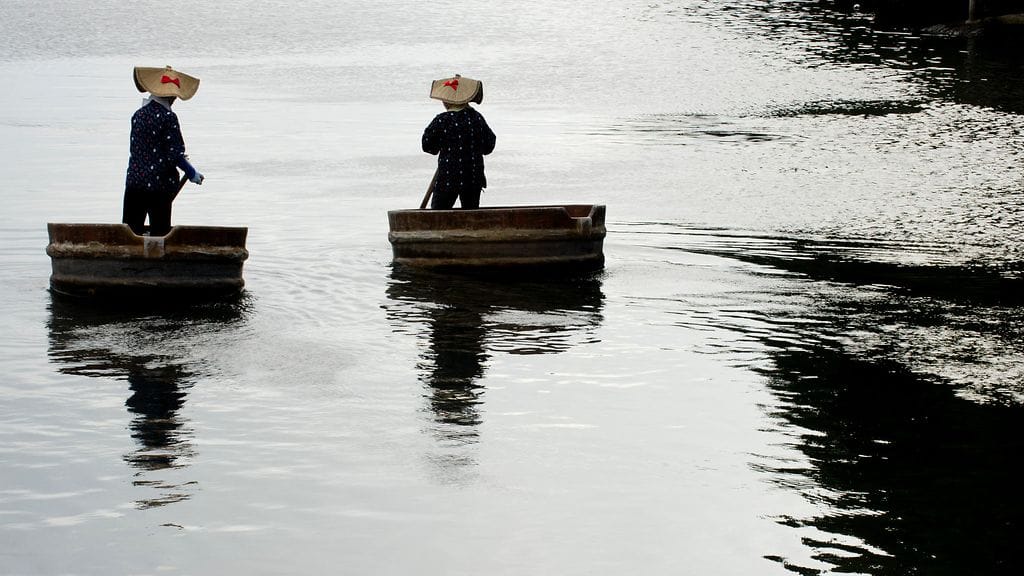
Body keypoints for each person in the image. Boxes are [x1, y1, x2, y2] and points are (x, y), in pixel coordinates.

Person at [122, 66, 204, 236]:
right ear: (172, 96)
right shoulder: (168, 118)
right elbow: (174, 154)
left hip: (134, 184)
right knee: (160, 233)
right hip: (158, 187)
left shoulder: (138, 115)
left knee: (129, 233)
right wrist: (191, 172)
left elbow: (144, 149)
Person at [422, 74, 496, 209]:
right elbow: (489, 146)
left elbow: (428, 146)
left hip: (448, 179)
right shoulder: (477, 118)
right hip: (473, 179)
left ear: (447, 101)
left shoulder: (442, 120)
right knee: (471, 216)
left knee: (438, 216)